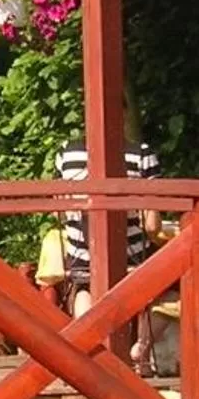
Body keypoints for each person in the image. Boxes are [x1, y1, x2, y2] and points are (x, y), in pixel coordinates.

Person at [56, 131, 164, 372]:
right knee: (169, 282)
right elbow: (152, 224)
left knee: (84, 286)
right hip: (132, 255)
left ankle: (89, 351)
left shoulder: (67, 152)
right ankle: (141, 351)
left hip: (82, 254)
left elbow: (60, 210)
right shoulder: (142, 154)